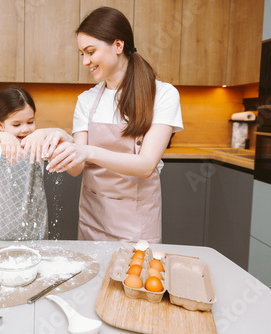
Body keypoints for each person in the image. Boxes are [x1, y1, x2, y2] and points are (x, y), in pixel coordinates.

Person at [42, 7, 183, 243]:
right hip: (92, 219)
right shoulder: (86, 100)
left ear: (118, 46)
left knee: (132, 280)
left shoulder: (162, 94)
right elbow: (77, 168)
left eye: (90, 52)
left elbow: (146, 165)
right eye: (82, 54)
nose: (86, 61)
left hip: (137, 224)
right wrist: (59, 141)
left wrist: (87, 151)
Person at [0, 86, 71, 241]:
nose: (25, 129)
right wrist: (1, 137)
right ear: (1, 125)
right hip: (1, 235)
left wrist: (43, 132)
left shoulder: (39, 146)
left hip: (35, 234)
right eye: (16, 125)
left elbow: (69, 139)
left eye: (30, 122)